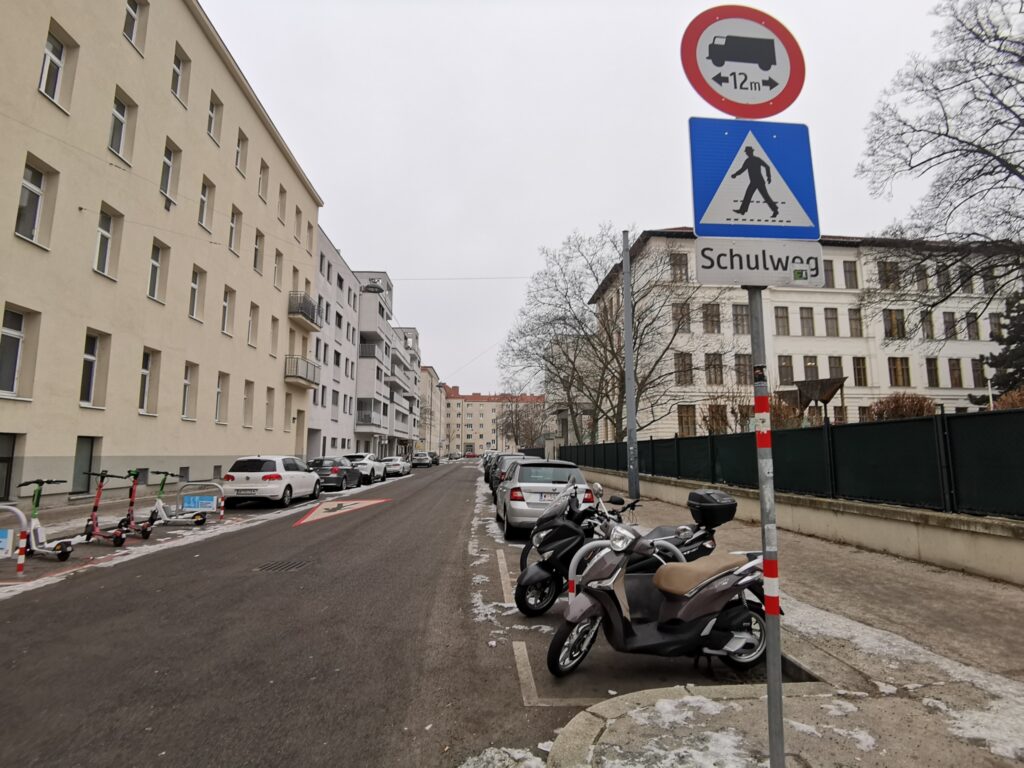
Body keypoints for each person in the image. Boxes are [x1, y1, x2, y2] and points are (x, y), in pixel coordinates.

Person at [731, 146, 779, 218]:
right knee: (748, 195)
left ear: (750, 152)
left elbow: (767, 166)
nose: (747, 153)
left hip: (759, 181)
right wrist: (735, 174)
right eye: (746, 152)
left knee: (765, 196)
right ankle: (742, 210)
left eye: (747, 152)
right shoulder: (750, 160)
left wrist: (769, 177)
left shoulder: (754, 160)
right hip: (754, 181)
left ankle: (775, 210)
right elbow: (742, 169)